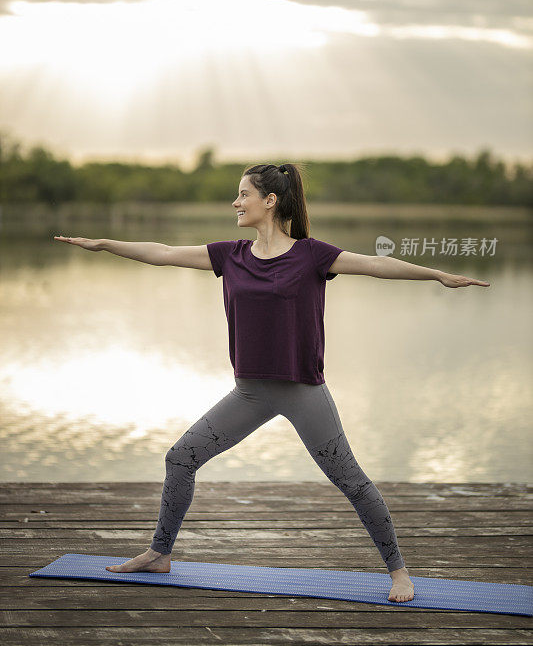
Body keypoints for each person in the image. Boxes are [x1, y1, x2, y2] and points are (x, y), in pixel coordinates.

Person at [54, 162, 490, 603]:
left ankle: (399, 573)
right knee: (180, 458)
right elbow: (164, 252)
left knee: (351, 481)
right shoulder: (231, 255)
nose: (235, 202)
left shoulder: (312, 255)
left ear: (270, 201)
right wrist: (105, 244)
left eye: (243, 194)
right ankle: (158, 553)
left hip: (303, 391)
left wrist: (436, 275)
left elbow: (376, 264)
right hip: (249, 392)